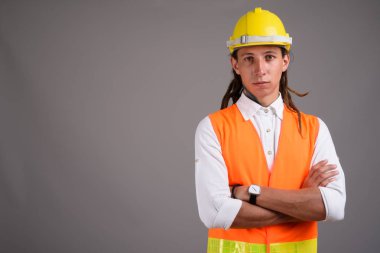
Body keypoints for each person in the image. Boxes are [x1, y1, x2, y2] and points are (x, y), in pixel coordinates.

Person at [194, 7, 346, 253]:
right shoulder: (212, 128)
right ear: (235, 64)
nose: (260, 69)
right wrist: (301, 202)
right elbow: (214, 213)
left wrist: (248, 193)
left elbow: (335, 207)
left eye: (269, 56)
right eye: (248, 58)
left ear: (285, 61)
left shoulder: (314, 128)